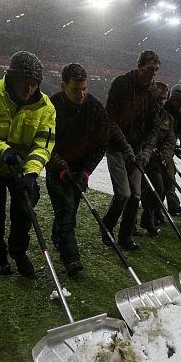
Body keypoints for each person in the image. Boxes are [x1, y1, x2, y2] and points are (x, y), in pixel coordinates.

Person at [0, 51, 56, 276]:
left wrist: (32, 173)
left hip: (22, 170)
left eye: (34, 84)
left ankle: (19, 252)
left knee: (24, 212)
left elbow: (43, 146)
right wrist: (3, 150)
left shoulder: (46, 108)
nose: (29, 90)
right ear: (11, 78)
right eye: (24, 83)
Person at [45, 63, 110, 277]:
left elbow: (101, 144)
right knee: (65, 210)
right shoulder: (50, 107)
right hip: (57, 170)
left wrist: (86, 172)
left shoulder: (94, 107)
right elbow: (43, 144)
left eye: (84, 88)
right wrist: (61, 169)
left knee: (70, 209)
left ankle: (58, 237)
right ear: (63, 86)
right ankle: (71, 258)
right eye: (75, 89)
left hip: (80, 170)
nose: (81, 94)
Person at [101, 50, 161, 250]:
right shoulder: (121, 84)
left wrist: (145, 151)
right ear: (139, 66)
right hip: (116, 147)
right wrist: (126, 147)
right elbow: (110, 120)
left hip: (137, 150)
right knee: (123, 194)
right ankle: (106, 226)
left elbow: (154, 128)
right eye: (150, 69)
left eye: (156, 70)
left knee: (136, 195)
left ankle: (124, 236)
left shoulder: (153, 93)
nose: (153, 74)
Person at [139, 82, 175, 236]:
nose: (162, 101)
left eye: (164, 98)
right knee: (149, 191)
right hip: (142, 158)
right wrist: (147, 149)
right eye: (159, 98)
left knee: (159, 190)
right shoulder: (143, 112)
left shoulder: (167, 118)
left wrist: (162, 153)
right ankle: (146, 220)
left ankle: (148, 218)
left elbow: (170, 140)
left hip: (158, 160)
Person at [164, 84, 181, 216]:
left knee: (170, 176)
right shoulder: (163, 108)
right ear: (172, 99)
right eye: (178, 101)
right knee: (157, 181)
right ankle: (154, 211)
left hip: (168, 149)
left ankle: (173, 206)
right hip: (154, 147)